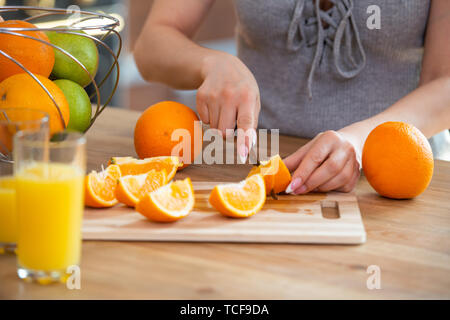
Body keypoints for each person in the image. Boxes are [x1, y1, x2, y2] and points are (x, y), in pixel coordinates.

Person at [128, 1, 446, 193]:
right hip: (255, 168)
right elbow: (151, 46)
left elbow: (443, 80)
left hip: (390, 183)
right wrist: (209, 63)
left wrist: (361, 141)